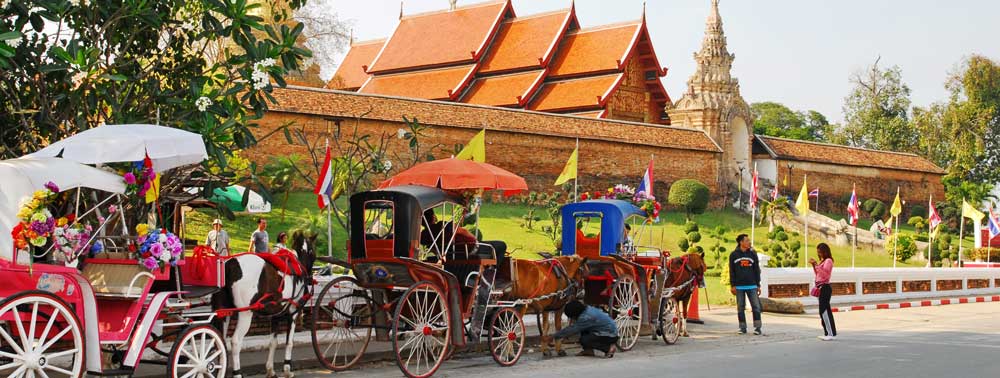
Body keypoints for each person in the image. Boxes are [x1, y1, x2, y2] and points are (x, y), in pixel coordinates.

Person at [546, 300, 618, 358]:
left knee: (584, 340)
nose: (572, 319)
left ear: (575, 314)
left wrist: (553, 336)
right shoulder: (587, 309)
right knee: (583, 330)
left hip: (610, 335)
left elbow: (572, 329)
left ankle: (608, 348)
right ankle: (588, 350)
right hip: (604, 331)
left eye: (572, 317)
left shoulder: (586, 317)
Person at [729, 233, 763, 335]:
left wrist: (758, 285)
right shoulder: (734, 255)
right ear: (741, 242)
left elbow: (756, 270)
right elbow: (732, 271)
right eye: (747, 240)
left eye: (749, 241)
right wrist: (733, 285)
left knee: (756, 306)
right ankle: (742, 328)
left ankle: (757, 328)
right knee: (740, 307)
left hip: (752, 285)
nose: (749, 242)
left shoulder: (752, 254)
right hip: (739, 286)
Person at [810, 243, 837, 341]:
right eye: (818, 252)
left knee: (824, 311)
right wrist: (814, 265)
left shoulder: (829, 261)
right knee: (824, 311)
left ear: (825, 251)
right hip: (820, 287)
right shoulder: (823, 261)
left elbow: (825, 274)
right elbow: (818, 274)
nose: (819, 254)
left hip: (825, 288)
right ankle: (828, 332)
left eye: (820, 252)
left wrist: (816, 265)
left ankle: (829, 333)